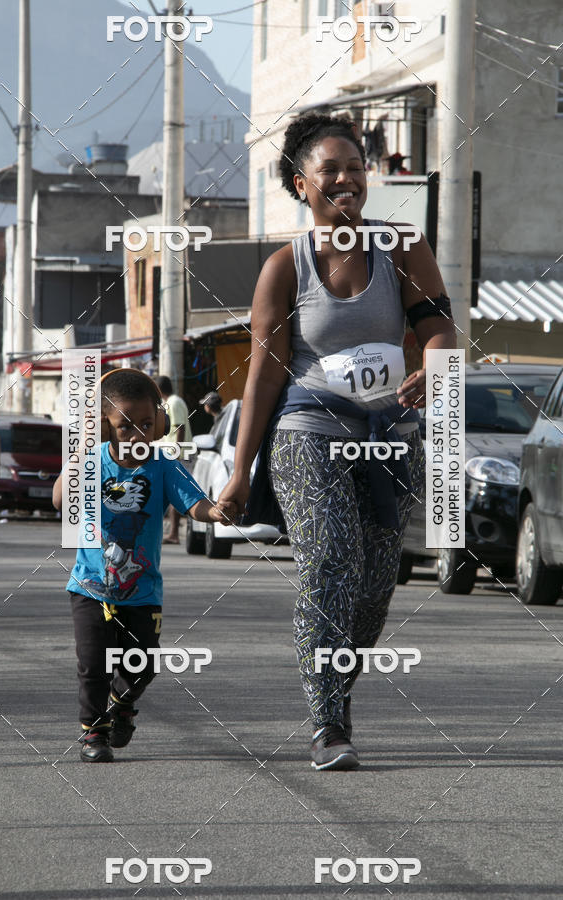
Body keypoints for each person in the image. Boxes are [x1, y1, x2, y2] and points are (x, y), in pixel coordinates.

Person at [219, 112, 456, 770]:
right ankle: (327, 724)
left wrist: (435, 371)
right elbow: (264, 375)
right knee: (329, 560)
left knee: (376, 585)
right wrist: (239, 472)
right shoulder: (283, 268)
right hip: (309, 430)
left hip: (390, 437)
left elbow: (439, 328)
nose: (346, 178)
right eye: (330, 170)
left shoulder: (402, 246)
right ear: (302, 184)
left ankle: (336, 691)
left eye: (356, 167)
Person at [52, 368, 236, 762]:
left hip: (142, 591)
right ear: (106, 426)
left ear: (160, 423)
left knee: (143, 664)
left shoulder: (163, 464)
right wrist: (83, 450)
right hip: (89, 587)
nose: (137, 436)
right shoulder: (91, 461)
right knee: (94, 666)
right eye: (124, 427)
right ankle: (94, 734)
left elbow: (194, 503)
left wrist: (216, 512)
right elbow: (59, 500)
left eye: (147, 425)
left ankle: (122, 704)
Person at [154, 375, 192, 544]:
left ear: (159, 390)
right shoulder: (172, 402)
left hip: (179, 455)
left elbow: (179, 427)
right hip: (175, 453)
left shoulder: (174, 402)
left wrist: (175, 453)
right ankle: (173, 533)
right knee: (171, 493)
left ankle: (174, 534)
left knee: (175, 493)